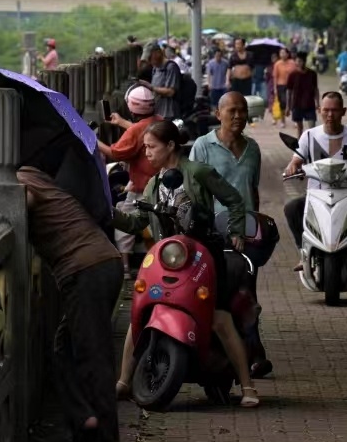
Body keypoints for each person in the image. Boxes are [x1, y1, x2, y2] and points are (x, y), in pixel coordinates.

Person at [113, 120, 261, 408]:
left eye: (152, 147)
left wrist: (236, 231)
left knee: (219, 319)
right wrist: (109, 213)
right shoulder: (153, 183)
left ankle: (248, 385)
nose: (147, 153)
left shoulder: (198, 172)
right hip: (165, 261)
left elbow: (233, 200)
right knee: (141, 313)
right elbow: (137, 222)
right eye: (145, 148)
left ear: (170, 146)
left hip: (201, 257)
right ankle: (123, 381)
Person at [16, 165, 125, 442]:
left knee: (93, 355)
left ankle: (104, 438)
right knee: (64, 350)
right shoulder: (38, 173)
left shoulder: (22, 178)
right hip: (100, 262)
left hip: (85, 269)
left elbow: (24, 201)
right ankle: (84, 421)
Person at [189, 91, 274, 377]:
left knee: (247, 292)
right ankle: (233, 355)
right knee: (218, 295)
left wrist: (255, 227)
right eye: (232, 111)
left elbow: (252, 191)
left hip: (246, 235)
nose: (238, 116)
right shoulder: (202, 146)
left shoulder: (253, 149)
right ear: (219, 114)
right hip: (214, 234)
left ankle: (254, 354)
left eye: (242, 111)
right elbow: (192, 190)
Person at [282, 91, 347, 270]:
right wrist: (292, 167)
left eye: (335, 110)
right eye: (326, 110)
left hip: (346, 195)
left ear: (343, 111)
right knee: (292, 208)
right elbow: (296, 160)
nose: (330, 115)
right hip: (315, 195)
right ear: (319, 110)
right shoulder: (309, 135)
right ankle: (303, 252)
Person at [98, 85, 162, 274]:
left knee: (124, 221)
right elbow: (144, 129)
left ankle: (125, 268)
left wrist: (91, 139)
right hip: (161, 185)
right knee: (159, 227)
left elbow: (115, 152)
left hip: (141, 188)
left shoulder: (134, 132)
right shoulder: (160, 122)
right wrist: (121, 122)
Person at [285, 52, 320, 137]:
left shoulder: (312, 74)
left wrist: (318, 103)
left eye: (300, 61)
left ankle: (311, 145)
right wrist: (288, 107)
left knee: (312, 127)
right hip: (297, 104)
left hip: (309, 104)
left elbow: (316, 89)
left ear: (304, 61)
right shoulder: (292, 75)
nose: (299, 63)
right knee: (299, 128)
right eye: (297, 61)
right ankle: (300, 146)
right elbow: (289, 92)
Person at [147, 45, 182, 121]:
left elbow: (170, 92)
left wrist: (151, 87)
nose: (149, 61)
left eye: (150, 57)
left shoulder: (171, 67)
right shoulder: (155, 69)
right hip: (158, 112)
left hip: (169, 113)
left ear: (158, 53)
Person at [271, 47, 297, 128]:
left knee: (293, 102)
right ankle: (283, 121)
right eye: (281, 53)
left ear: (287, 54)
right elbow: (275, 77)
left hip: (291, 86)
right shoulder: (277, 64)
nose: (282, 54)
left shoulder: (293, 63)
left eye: (284, 53)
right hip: (280, 85)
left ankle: (295, 120)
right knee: (282, 103)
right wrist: (275, 88)